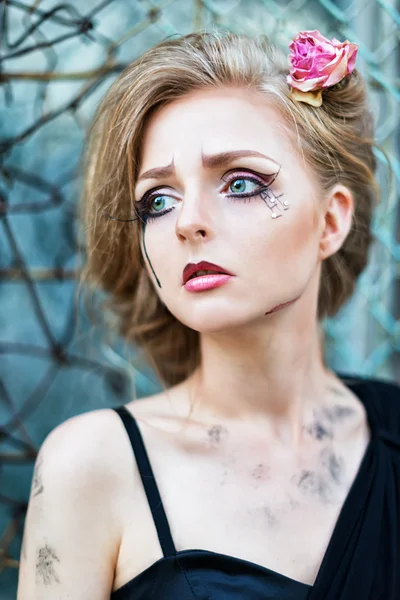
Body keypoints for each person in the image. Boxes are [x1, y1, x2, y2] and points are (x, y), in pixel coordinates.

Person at [17, 30, 400, 600]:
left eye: (240, 183)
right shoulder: (93, 465)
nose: (185, 222)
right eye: (158, 200)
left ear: (331, 221)